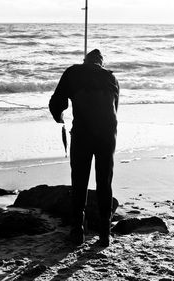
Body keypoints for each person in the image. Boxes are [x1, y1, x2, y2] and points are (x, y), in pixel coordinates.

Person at [49, 49, 119, 246]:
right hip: (107, 134)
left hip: (83, 133)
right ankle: (105, 233)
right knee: (104, 181)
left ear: (85, 61)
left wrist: (60, 118)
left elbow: (56, 103)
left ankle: (77, 230)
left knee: (79, 180)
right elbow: (115, 108)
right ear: (101, 64)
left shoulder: (73, 72)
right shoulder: (111, 78)